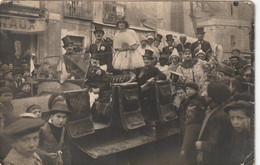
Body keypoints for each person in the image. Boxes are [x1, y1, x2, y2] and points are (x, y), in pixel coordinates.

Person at [196, 81, 233, 165]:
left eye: (207, 92)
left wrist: (201, 145)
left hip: (215, 159)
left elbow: (215, 144)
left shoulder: (217, 116)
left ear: (212, 97)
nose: (204, 94)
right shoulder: (221, 110)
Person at [37, 94, 72, 165]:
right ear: (52, 116)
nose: (61, 120)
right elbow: (33, 148)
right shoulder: (42, 129)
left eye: (64, 117)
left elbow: (65, 148)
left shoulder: (64, 129)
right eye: (58, 117)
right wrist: (45, 155)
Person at [134, 49, 166, 121]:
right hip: (141, 92)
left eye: (148, 59)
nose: (146, 61)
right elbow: (136, 80)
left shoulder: (154, 69)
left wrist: (153, 78)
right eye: (145, 59)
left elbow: (163, 76)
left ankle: (152, 121)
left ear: (151, 61)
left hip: (151, 93)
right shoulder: (139, 70)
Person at [224, 100, 254, 165]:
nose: (235, 122)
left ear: (249, 118)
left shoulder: (255, 136)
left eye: (240, 118)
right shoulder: (235, 134)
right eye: (232, 118)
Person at [180, 100, 205, 165]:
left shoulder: (192, 125)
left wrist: (184, 149)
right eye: (188, 111)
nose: (188, 113)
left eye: (191, 111)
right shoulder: (202, 122)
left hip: (191, 150)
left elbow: (188, 138)